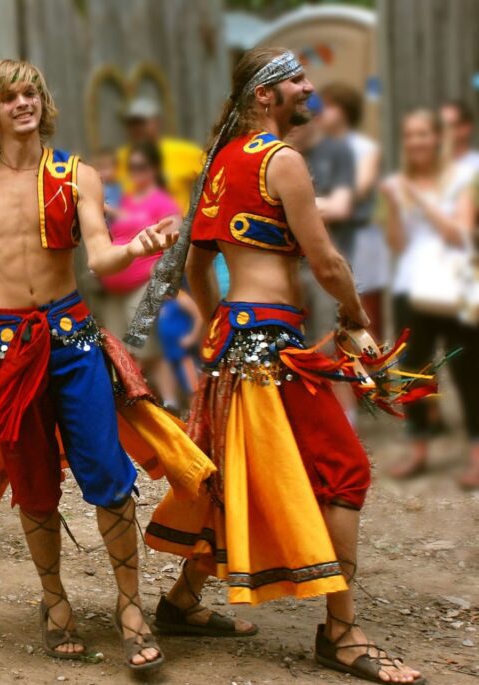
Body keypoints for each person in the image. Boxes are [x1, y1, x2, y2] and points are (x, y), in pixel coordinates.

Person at [0, 59, 216, 672]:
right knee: (34, 483)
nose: (24, 104)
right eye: (10, 97)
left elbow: (98, 256)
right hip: (4, 346)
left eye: (31, 94)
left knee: (107, 473)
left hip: (70, 339)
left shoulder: (77, 176)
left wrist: (138, 246)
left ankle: (130, 608)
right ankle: (55, 603)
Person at [145, 48, 426, 684]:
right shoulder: (282, 161)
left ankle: (181, 603)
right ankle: (343, 633)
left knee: (234, 478)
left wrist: (224, 321)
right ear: (266, 95)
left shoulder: (220, 162)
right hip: (271, 347)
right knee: (343, 471)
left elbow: (195, 264)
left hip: (234, 345)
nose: (309, 88)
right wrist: (355, 320)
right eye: (297, 81)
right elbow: (327, 263)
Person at [381, 109, 478, 489]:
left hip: (456, 290)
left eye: (423, 134)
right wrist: (394, 205)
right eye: (409, 134)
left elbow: (459, 234)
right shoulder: (398, 183)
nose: (416, 141)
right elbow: (397, 244)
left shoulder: (461, 180)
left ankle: (475, 453)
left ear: (438, 138)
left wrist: (420, 201)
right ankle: (418, 449)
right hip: (412, 288)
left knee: (468, 372)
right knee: (411, 371)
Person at [98, 141, 192, 408]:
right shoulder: (127, 199)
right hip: (116, 288)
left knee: (148, 349)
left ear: (153, 169)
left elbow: (177, 240)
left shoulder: (162, 201)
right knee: (123, 351)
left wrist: (161, 274)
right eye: (131, 167)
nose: (135, 172)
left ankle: (171, 403)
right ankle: (147, 405)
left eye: (141, 167)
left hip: (145, 285)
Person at [285, 96, 356, 342]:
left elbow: (340, 206)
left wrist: (290, 207)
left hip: (327, 263)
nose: (291, 129)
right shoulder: (281, 153)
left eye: (297, 122)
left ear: (313, 120)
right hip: (288, 267)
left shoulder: (335, 152)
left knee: (327, 345)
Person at [320, 82, 386, 339]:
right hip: (329, 234)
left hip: (360, 236)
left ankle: (372, 370)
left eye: (328, 106)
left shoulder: (364, 147)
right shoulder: (318, 148)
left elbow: (359, 188)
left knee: (367, 309)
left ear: (344, 111)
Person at [116, 96, 204, 212]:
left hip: (177, 225)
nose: (136, 128)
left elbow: (215, 178)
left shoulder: (184, 151)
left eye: (141, 123)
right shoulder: (121, 157)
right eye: (131, 124)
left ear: (157, 122)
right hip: (134, 226)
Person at [441, 100, 479, 176]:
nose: (442, 130)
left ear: (466, 127)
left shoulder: (476, 164)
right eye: (440, 125)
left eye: (449, 125)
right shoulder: (428, 163)